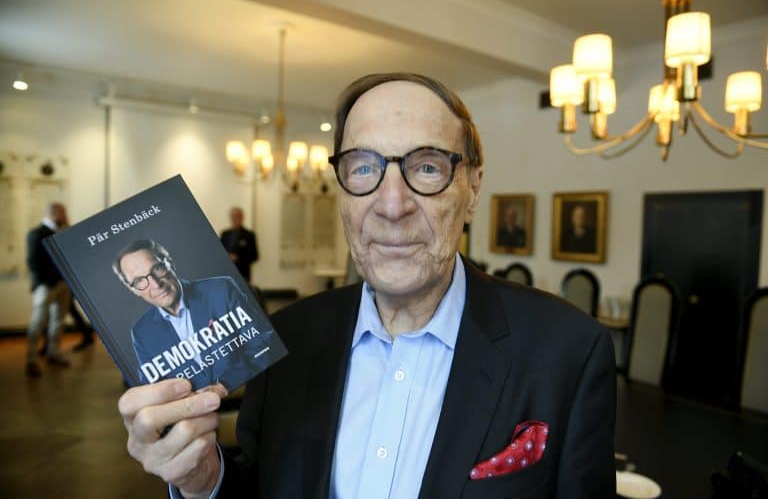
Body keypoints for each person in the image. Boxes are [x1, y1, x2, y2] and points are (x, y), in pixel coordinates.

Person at [119, 73, 616, 498]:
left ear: (472, 189)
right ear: (342, 191)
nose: (392, 205)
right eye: (363, 168)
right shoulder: (287, 340)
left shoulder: (568, 352)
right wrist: (205, 480)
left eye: (427, 167)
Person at [112, 239, 276, 393]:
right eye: (139, 281)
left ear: (170, 263)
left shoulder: (221, 290)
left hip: (244, 394)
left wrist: (225, 385)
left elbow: (264, 342)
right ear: (132, 289)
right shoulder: (141, 332)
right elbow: (153, 387)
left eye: (157, 268)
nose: (156, 284)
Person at [25, 202, 71, 377]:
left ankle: (54, 353)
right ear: (54, 213)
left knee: (58, 321)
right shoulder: (36, 233)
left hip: (63, 284)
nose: (66, 215)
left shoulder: (65, 231)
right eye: (63, 212)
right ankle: (31, 360)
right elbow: (32, 262)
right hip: (45, 286)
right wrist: (44, 283)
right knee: (38, 322)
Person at [220, 207, 259, 283]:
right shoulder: (225, 234)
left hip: (242, 274)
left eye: (237, 216)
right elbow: (219, 252)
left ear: (242, 217)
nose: (235, 218)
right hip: (226, 274)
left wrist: (238, 257)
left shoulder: (249, 235)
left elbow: (255, 256)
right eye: (233, 216)